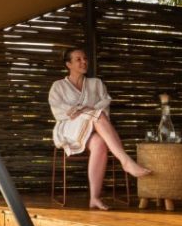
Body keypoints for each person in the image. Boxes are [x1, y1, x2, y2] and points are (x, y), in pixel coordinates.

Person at [48, 47, 150, 210]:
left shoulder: (96, 83)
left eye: (85, 58)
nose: (84, 62)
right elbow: (58, 111)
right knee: (97, 114)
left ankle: (94, 197)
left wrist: (88, 110)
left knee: (100, 142)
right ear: (68, 64)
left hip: (93, 127)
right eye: (78, 59)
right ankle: (125, 161)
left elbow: (104, 103)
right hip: (68, 127)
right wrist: (84, 111)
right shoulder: (58, 86)